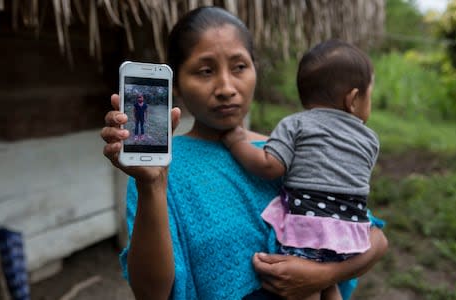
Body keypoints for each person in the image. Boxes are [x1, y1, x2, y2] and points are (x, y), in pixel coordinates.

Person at [101, 6, 388, 300]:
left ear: (254, 70)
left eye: (239, 67)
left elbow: (374, 238)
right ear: (177, 86)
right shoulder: (163, 172)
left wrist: (324, 276)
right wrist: (152, 187)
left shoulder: (290, 152)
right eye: (205, 71)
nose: (226, 87)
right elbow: (151, 293)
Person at [222, 39, 380, 300]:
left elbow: (270, 166)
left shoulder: (296, 124)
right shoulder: (370, 139)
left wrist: (236, 142)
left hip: (309, 229)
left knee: (306, 287)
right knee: (328, 281)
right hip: (351, 235)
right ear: (353, 100)